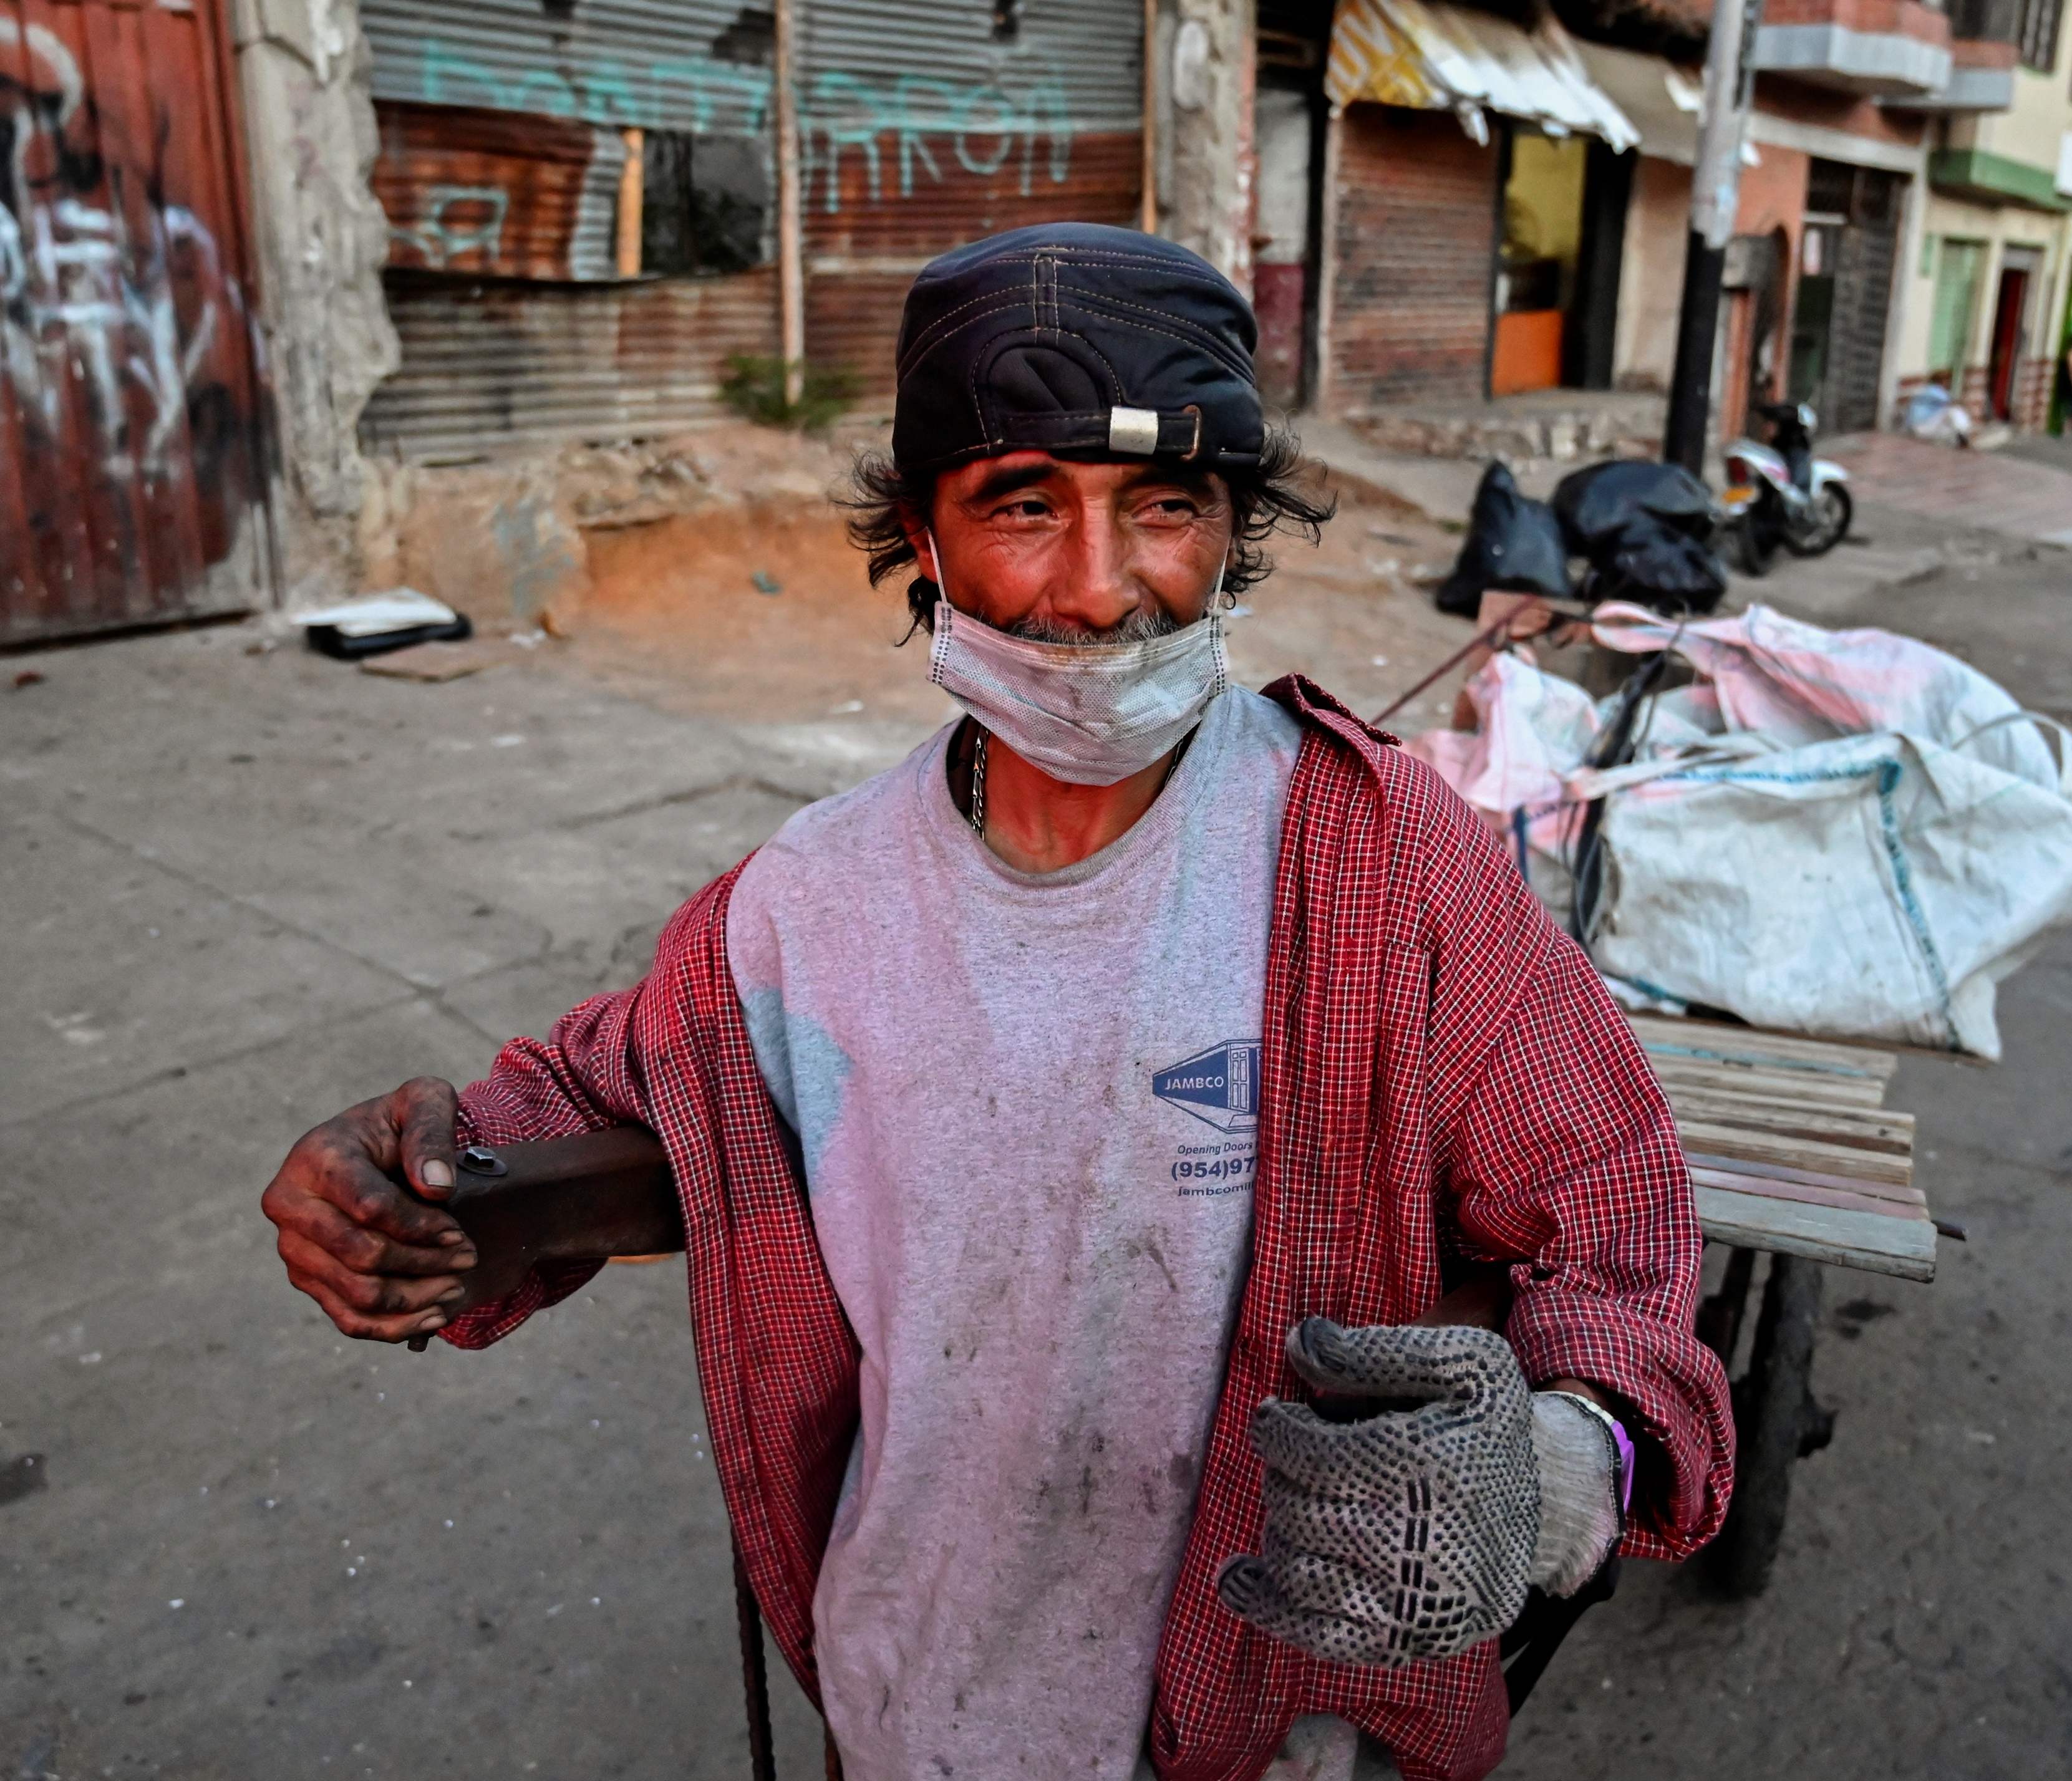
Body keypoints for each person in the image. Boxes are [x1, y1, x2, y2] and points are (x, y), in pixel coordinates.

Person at [258, 223, 1733, 1781]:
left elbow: (1610, 1207)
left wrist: (1565, 1463)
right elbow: (577, 1109)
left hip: (1276, 1736)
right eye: (1025, 507)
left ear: (1231, 526)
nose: (1098, 590)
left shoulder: (1378, 864)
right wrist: (391, 1192)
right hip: (911, 1708)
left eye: (1165, 506)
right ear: (924, 532)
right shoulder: (804, 903)